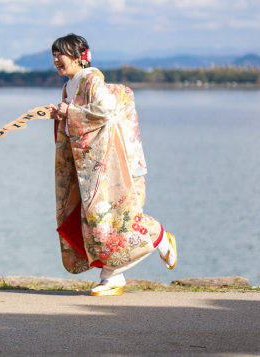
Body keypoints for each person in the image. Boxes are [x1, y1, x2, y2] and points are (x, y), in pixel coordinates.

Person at [45, 33, 177, 296]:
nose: (56, 59)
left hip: (104, 163)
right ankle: (113, 277)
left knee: (108, 217)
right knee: (94, 221)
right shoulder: (70, 85)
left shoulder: (92, 80)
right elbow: (78, 118)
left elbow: (104, 112)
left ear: (80, 56)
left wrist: (68, 113)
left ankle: (156, 235)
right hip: (85, 165)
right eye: (54, 54)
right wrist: (61, 116)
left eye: (61, 53)